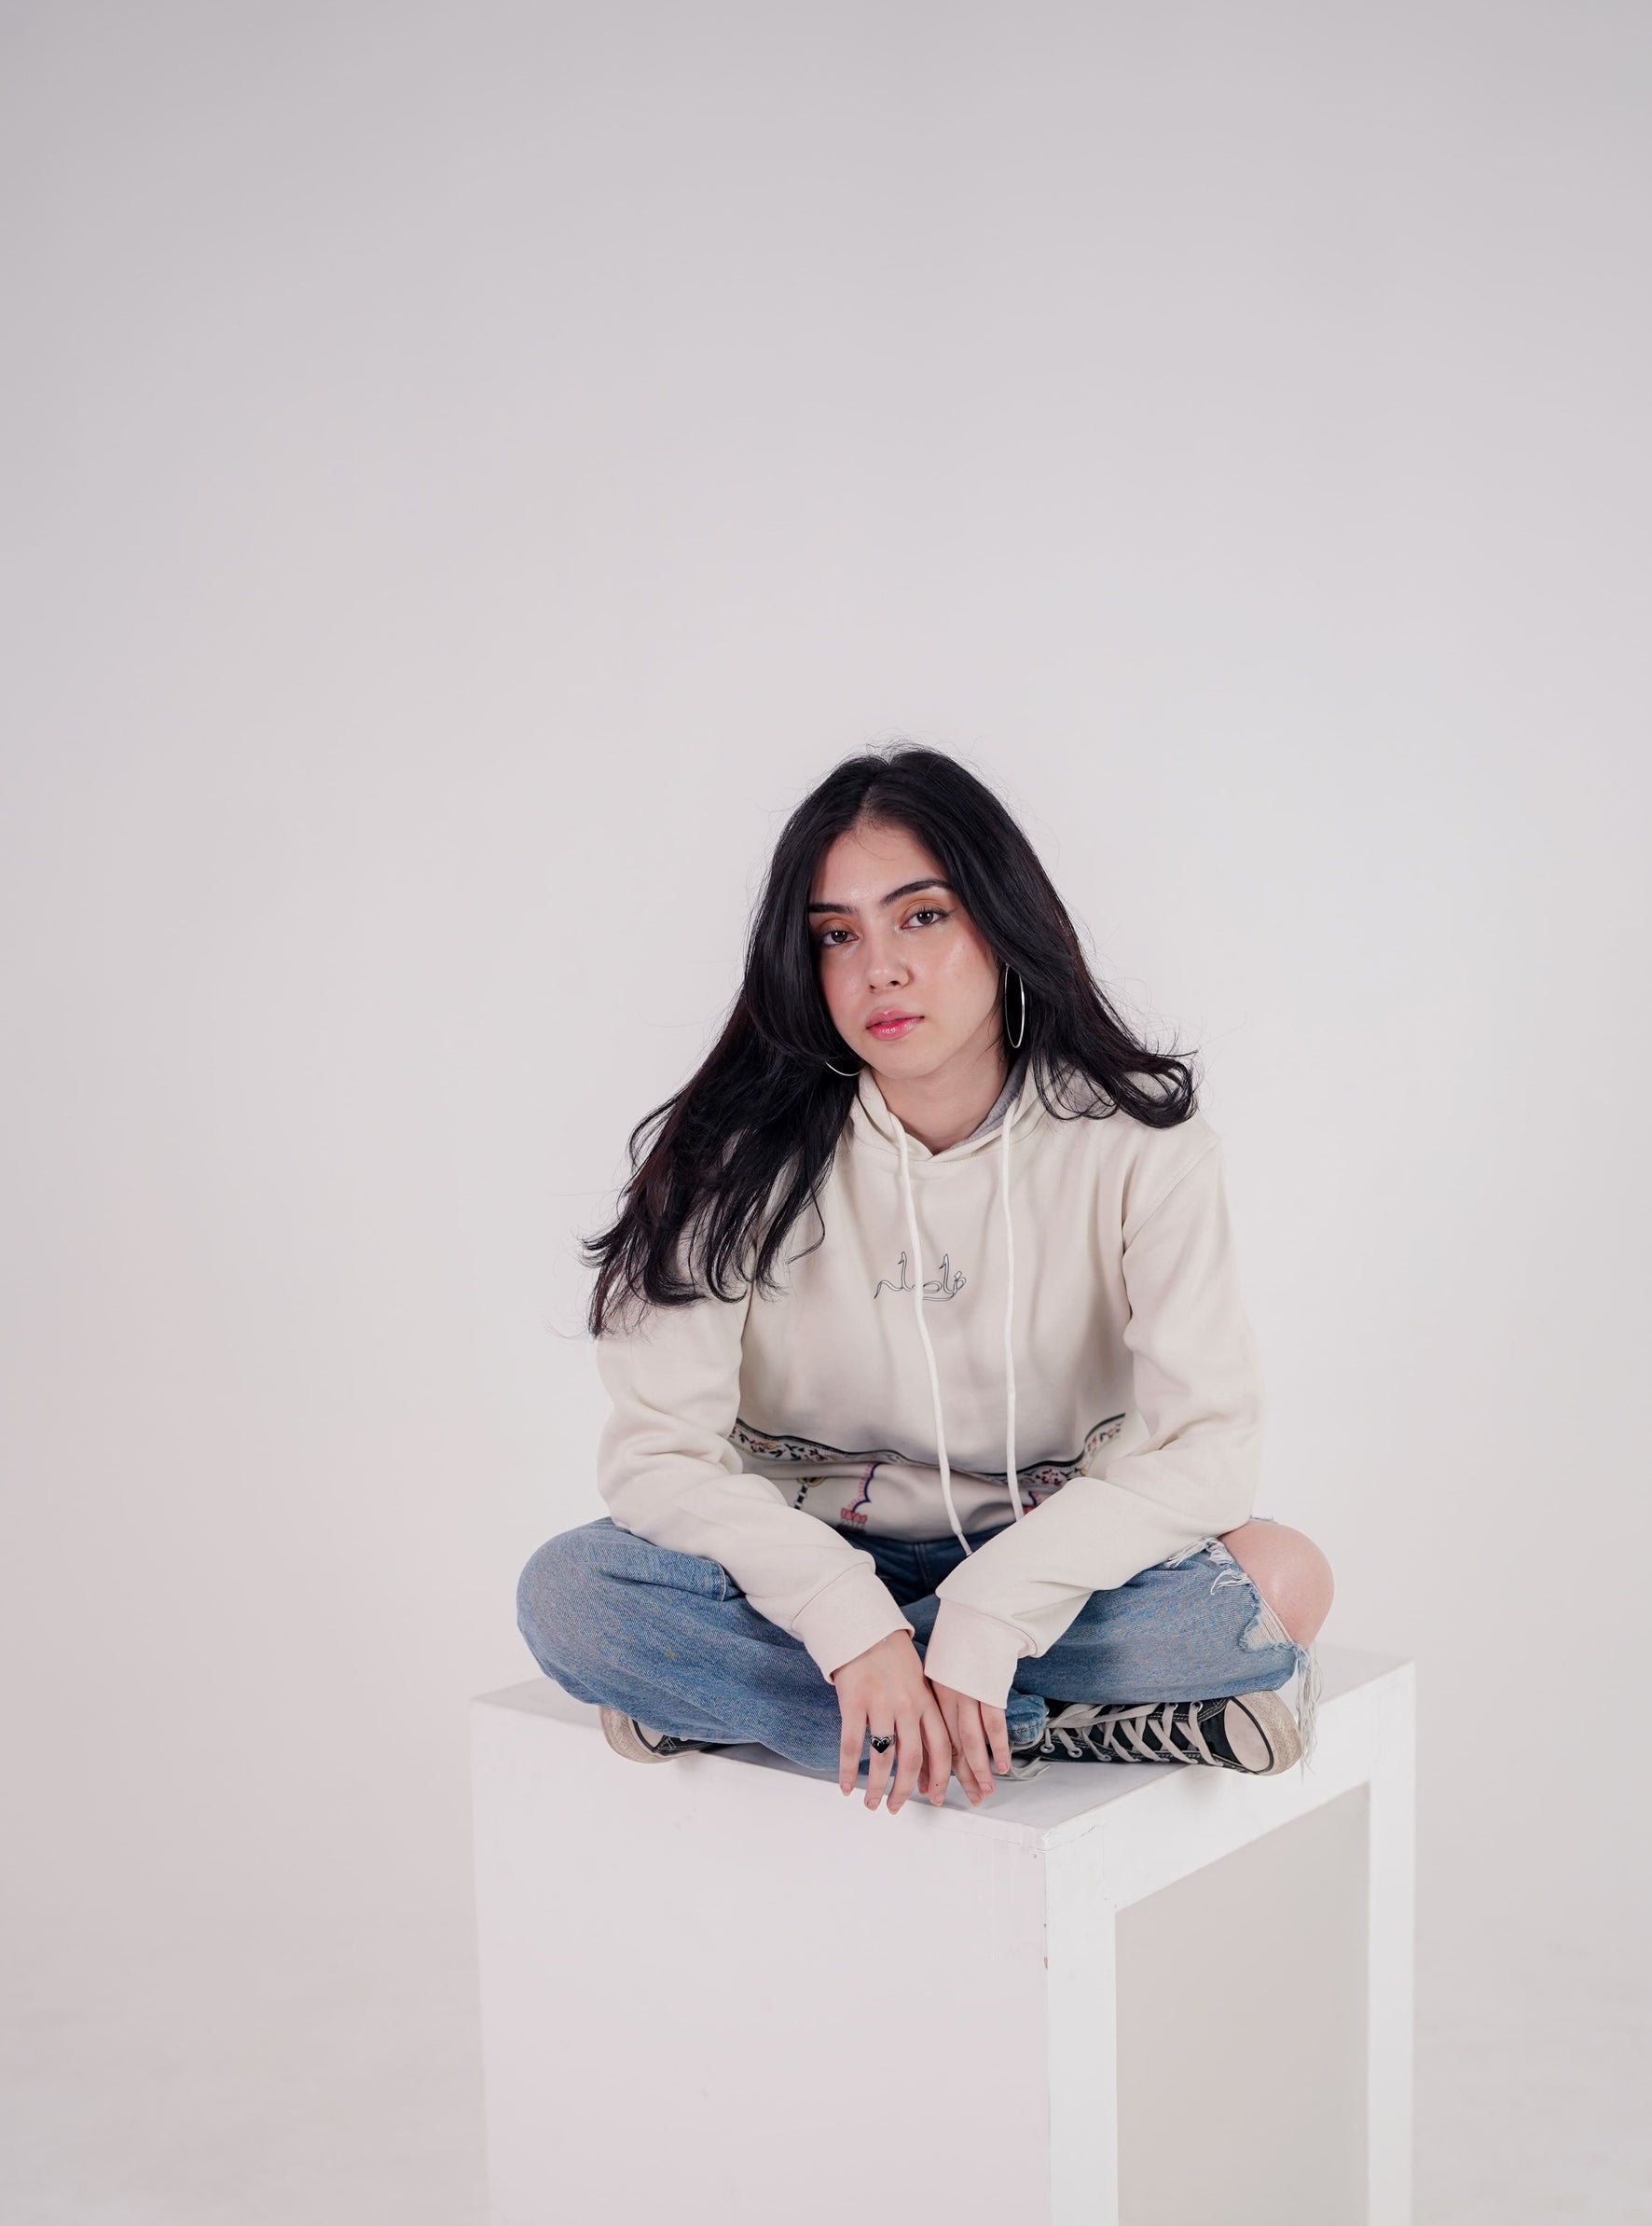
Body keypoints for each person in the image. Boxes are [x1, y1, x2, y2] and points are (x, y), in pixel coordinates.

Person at [516, 747, 1334, 1816]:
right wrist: (847, 1622)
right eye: (836, 935)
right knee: (573, 1601)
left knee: (1281, 1579)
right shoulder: (728, 1157)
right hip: (796, 1569)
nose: (879, 970)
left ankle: (748, 1703)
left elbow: (1207, 1447)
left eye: (921, 917)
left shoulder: (1139, 1151)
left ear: (1000, 922)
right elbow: (658, 1457)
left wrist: (990, 1614)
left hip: (1047, 1565)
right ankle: (1022, 1725)